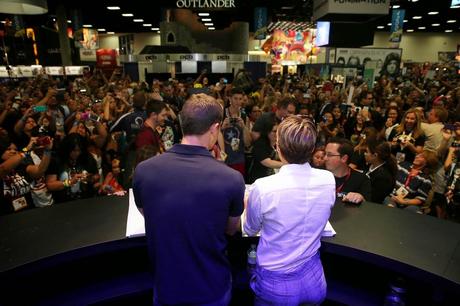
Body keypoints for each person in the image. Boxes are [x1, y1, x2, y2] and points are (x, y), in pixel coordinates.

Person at [133, 93, 245, 306]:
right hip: (211, 290)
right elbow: (231, 229)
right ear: (214, 128)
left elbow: (148, 213)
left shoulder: (144, 171)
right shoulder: (231, 179)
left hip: (167, 288)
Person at [244, 116, 335, 306]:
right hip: (315, 276)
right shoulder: (328, 179)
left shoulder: (263, 187)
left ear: (278, 147)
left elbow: (250, 229)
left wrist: (248, 202)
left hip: (276, 283)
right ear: (311, 150)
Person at [324, 137, 371, 204]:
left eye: (329, 155)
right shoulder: (319, 175)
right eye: (325, 153)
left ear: (344, 158)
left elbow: (368, 207)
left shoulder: (361, 180)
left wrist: (361, 198)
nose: (325, 158)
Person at [364, 138, 397, 204]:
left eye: (367, 152)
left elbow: (373, 199)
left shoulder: (383, 177)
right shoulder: (371, 164)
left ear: (375, 155)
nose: (364, 154)